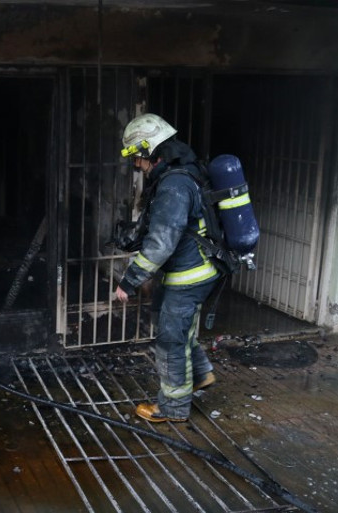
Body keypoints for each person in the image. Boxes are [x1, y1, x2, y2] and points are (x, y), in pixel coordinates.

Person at [115, 113, 220, 423]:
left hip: (190, 275)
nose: (137, 165)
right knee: (178, 330)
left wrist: (129, 281)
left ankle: (173, 408)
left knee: (171, 341)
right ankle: (200, 374)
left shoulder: (173, 185)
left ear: (149, 150)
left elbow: (161, 243)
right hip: (196, 268)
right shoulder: (183, 172)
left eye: (137, 157)